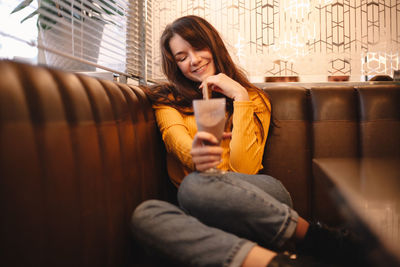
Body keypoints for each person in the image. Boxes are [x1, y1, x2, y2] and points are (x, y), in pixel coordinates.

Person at [132, 15, 366, 267]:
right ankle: (279, 262)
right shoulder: (167, 100)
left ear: (213, 45)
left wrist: (240, 96)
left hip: (258, 196)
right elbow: (174, 137)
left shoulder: (254, 98)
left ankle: (316, 237)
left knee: (193, 184)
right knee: (146, 215)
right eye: (182, 57)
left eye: (198, 47)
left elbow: (244, 168)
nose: (194, 60)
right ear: (176, 65)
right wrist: (197, 153)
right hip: (200, 207)